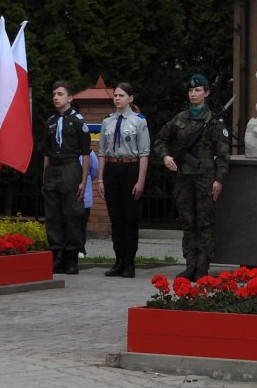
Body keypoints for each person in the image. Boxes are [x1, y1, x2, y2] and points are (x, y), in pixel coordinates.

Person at [153, 74, 230, 280]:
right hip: (184, 178)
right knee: (188, 222)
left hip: (205, 179)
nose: (193, 94)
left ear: (206, 93)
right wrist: (166, 156)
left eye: (198, 90)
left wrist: (219, 179)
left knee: (204, 222)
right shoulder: (179, 119)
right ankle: (190, 265)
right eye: (190, 90)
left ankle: (202, 267)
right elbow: (160, 140)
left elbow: (223, 154)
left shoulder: (214, 121)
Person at [97, 83, 150, 278]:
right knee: (116, 218)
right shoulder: (107, 122)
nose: (117, 98)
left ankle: (129, 262)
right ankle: (118, 260)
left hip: (131, 168)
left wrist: (140, 180)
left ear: (131, 98)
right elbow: (102, 152)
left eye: (121, 95)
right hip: (112, 168)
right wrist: (100, 179)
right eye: (115, 95)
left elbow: (144, 153)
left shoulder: (139, 121)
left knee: (129, 218)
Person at [43, 82, 91, 275]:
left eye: (60, 94)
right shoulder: (50, 121)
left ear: (70, 98)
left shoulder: (79, 121)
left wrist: (83, 180)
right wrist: (44, 177)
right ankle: (57, 256)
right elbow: (46, 153)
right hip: (53, 169)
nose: (56, 97)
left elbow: (86, 153)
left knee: (72, 214)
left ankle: (72, 258)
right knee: (53, 215)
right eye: (54, 94)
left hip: (71, 167)